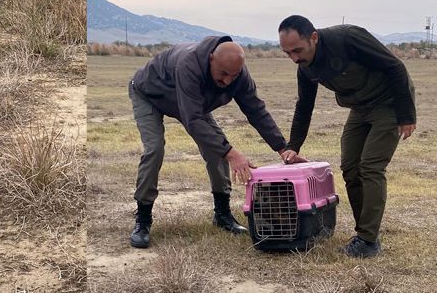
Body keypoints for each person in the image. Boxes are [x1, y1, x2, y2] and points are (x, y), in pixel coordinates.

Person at [128, 36, 288, 248]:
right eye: (223, 74)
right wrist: (232, 153)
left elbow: (256, 110)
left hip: (191, 103)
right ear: (211, 59)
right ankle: (143, 219)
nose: (228, 81)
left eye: (234, 75)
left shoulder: (237, 74)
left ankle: (222, 215)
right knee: (155, 149)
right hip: (149, 94)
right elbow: (193, 120)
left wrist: (283, 148)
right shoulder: (189, 65)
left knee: (216, 149)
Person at [277, 15, 416, 258]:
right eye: (287, 53)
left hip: (389, 103)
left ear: (314, 37)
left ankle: (368, 240)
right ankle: (365, 233)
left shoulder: (348, 38)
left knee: (370, 166)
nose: (294, 58)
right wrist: (294, 145)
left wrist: (406, 115)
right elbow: (304, 105)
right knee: (350, 167)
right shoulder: (305, 68)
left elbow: (395, 67)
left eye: (297, 50)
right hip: (360, 107)